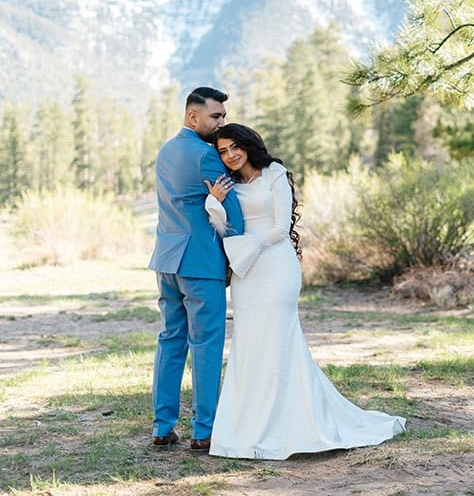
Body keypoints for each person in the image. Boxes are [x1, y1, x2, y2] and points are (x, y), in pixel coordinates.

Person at [203, 123, 405, 459]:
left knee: (280, 342)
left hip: (276, 266)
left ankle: (291, 425)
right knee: (250, 344)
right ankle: (247, 428)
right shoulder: (230, 185)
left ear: (249, 145)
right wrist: (215, 201)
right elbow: (223, 229)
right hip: (246, 273)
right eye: (223, 151)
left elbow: (281, 227)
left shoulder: (273, 173)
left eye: (234, 147)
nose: (230, 155)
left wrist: (250, 247)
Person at [148, 87, 244, 452]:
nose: (222, 122)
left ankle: (162, 426)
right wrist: (239, 251)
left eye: (223, 116)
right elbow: (231, 211)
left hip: (167, 260)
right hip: (200, 263)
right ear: (193, 117)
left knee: (171, 341)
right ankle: (204, 430)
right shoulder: (206, 156)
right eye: (216, 117)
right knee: (206, 344)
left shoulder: (166, 150)